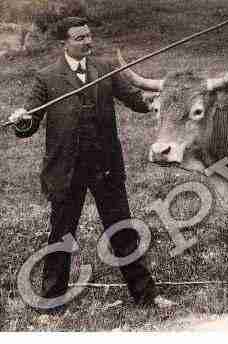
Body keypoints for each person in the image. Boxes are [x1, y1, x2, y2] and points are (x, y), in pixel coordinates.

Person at [8, 17, 175, 312]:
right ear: (65, 43)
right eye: (80, 38)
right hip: (66, 171)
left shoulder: (105, 70)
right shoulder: (46, 77)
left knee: (123, 230)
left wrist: (160, 98)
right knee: (61, 235)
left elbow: (136, 100)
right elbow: (29, 124)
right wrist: (21, 118)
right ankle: (51, 302)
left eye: (89, 36)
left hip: (105, 168)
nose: (88, 41)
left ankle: (146, 296)